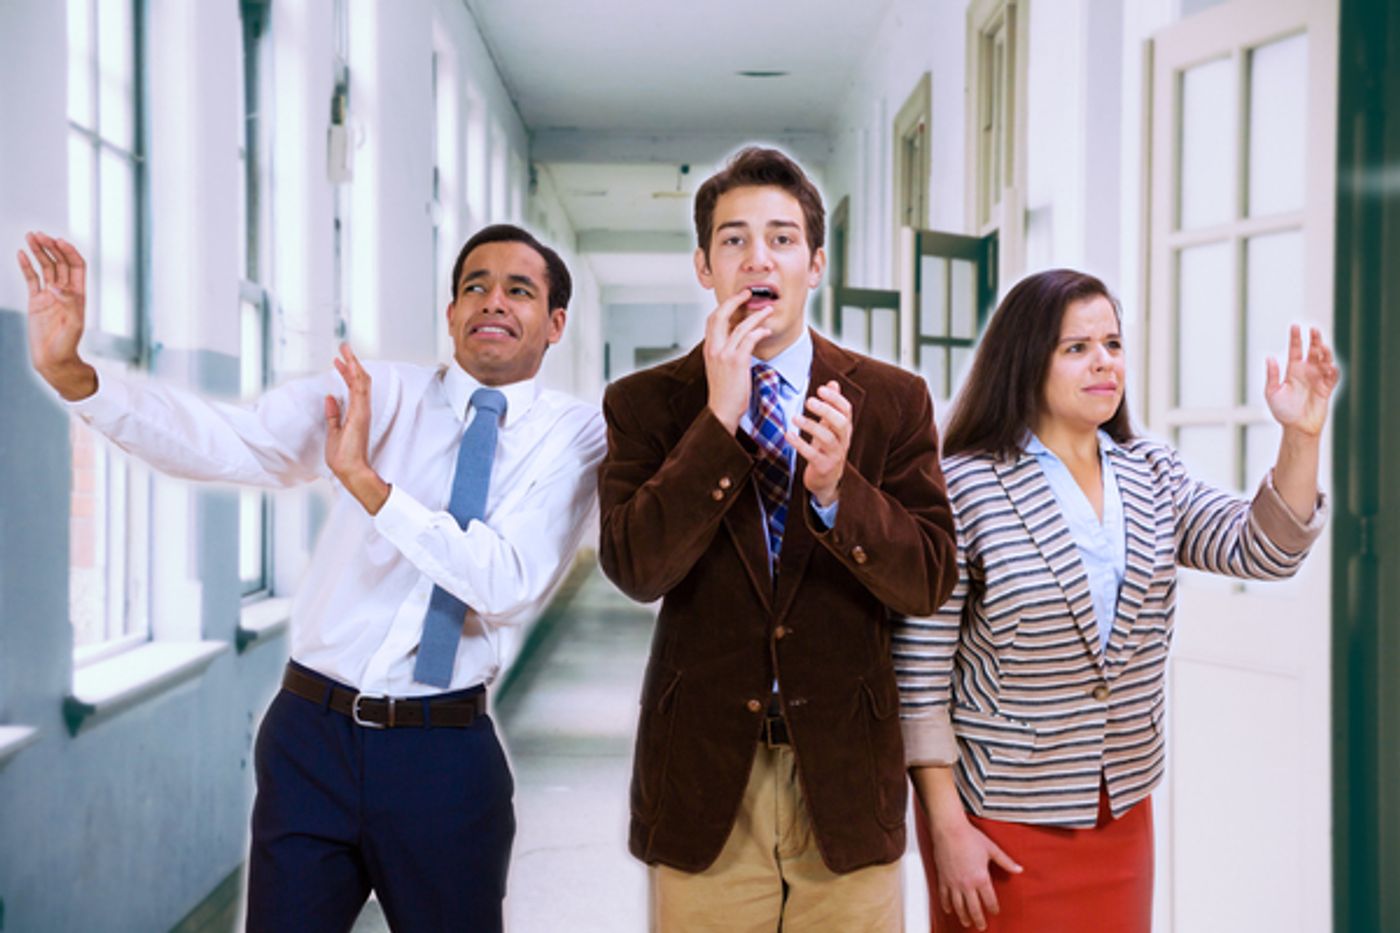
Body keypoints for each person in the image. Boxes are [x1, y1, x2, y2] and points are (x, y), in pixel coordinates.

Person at [17, 224, 606, 933]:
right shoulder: (372, 393)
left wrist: (370, 487)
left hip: (443, 755)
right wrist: (76, 376)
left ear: (555, 323)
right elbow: (230, 441)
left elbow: (506, 582)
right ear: (452, 313)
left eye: (519, 290)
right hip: (312, 738)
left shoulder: (577, 436)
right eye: (475, 286)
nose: (493, 301)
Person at [894, 268, 1336, 932]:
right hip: (999, 813)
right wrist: (946, 827)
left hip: (1120, 806)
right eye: (1077, 348)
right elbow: (919, 680)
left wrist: (1300, 435)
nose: (1104, 362)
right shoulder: (963, 487)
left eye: (1113, 343)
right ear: (1026, 362)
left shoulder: (1152, 470)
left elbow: (1263, 550)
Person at [597, 146, 958, 932]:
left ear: (815, 264)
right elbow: (635, 566)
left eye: (782, 238)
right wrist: (717, 420)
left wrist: (838, 493)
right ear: (705, 266)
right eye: (734, 239)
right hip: (704, 780)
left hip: (846, 779)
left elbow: (929, 578)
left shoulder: (893, 400)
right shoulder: (644, 404)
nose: (758, 257)